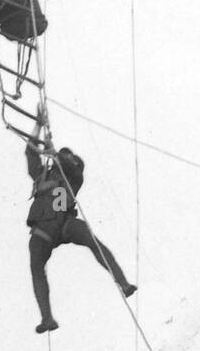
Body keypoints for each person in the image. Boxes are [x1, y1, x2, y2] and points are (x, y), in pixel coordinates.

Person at [26, 121, 136, 333]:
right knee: (35, 266)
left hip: (66, 223)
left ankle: (123, 283)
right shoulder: (42, 175)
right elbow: (30, 152)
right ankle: (47, 318)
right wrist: (38, 125)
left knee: (91, 239)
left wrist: (56, 154)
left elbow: (70, 167)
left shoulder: (74, 177)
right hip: (43, 230)